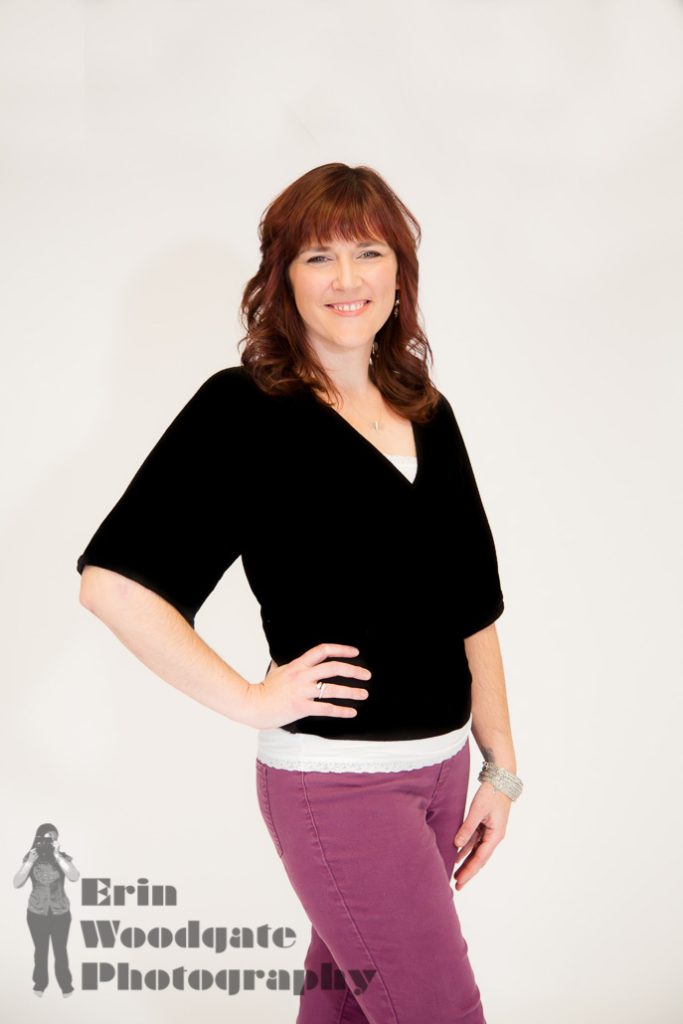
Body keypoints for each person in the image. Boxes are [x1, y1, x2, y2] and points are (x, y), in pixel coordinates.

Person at [76, 162, 522, 1024]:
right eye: (319, 257)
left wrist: (499, 769)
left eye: (369, 252)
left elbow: (474, 603)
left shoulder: (426, 410)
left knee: (349, 1011)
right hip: (340, 786)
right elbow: (114, 585)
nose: (347, 278)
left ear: (400, 273)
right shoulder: (243, 410)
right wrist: (250, 698)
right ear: (282, 278)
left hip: (441, 774)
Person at [13, 822, 78, 997]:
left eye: (53, 839)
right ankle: (40, 983)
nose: (49, 842)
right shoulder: (31, 858)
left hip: (60, 912)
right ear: (38, 839)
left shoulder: (62, 857)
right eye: (46, 839)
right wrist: (29, 862)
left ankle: (66, 985)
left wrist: (58, 856)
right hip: (36, 912)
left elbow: (74, 876)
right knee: (40, 950)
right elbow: (16, 883)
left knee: (60, 951)